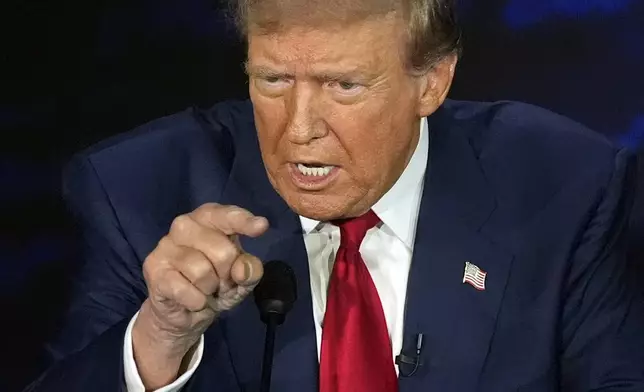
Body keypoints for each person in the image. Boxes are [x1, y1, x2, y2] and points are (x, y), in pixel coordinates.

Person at [26, 0, 644, 391]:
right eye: (272, 79)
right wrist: (159, 337)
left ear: (432, 82)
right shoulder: (139, 189)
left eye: (343, 85)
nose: (298, 129)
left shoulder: (565, 185)